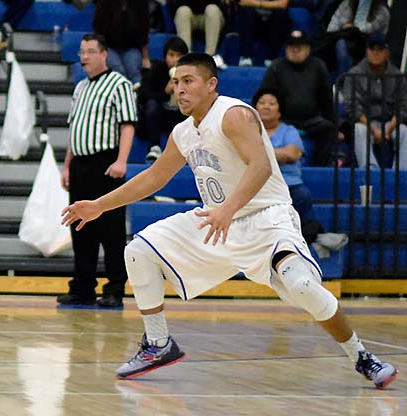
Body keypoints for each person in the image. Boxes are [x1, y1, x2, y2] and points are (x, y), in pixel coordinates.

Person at [62, 52, 399, 390]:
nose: (179, 89)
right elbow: (154, 178)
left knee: (302, 287)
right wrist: (99, 206)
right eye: (176, 82)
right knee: (137, 251)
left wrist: (228, 209)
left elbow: (261, 166)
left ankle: (361, 356)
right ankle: (158, 343)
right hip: (219, 223)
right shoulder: (183, 132)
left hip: (266, 220)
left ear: (211, 85)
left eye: (188, 81)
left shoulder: (232, 114)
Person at [58, 33, 136, 308]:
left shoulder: (119, 84)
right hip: (80, 164)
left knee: (111, 230)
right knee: (80, 227)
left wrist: (122, 160)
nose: (84, 57)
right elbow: (73, 129)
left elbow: (127, 125)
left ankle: (115, 288)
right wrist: (67, 166)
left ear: (104, 54)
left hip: (107, 165)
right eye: (82, 52)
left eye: (90, 51)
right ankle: (82, 286)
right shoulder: (80, 88)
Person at [259, 30, 337, 166]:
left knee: (328, 128)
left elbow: (327, 100)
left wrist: (333, 122)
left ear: (308, 49)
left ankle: (319, 166)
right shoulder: (276, 67)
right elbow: (265, 94)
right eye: (291, 47)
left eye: (299, 47)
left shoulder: (318, 67)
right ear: (286, 49)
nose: (295, 50)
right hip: (283, 119)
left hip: (311, 119)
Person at [342, 33, 407, 170]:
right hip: (366, 122)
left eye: (380, 49)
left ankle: (401, 174)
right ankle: (371, 172)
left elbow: (403, 106)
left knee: (405, 131)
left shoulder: (397, 75)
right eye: (372, 49)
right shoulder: (354, 74)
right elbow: (352, 106)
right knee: (359, 130)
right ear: (367, 51)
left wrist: (388, 130)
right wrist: (375, 130)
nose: (376, 53)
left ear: (387, 52)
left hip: (390, 123)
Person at [253, 88, 311, 223]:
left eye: (272, 104)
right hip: (256, 184)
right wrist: (279, 153)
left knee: (303, 195)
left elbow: (292, 153)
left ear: (280, 111)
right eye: (262, 103)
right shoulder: (247, 131)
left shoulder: (289, 131)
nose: (266, 106)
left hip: (288, 184)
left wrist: (257, 154)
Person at [139, 36, 189, 161]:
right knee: (151, 105)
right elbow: (144, 95)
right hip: (160, 116)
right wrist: (165, 92)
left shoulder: (190, 74)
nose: (175, 59)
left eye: (179, 56)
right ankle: (154, 146)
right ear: (165, 55)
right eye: (171, 55)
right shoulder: (157, 69)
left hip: (181, 116)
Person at [92, 0, 150, 86]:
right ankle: (123, 96)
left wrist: (145, 57)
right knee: (118, 70)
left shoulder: (141, 4)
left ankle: (138, 96)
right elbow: (98, 32)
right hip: (108, 48)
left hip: (132, 47)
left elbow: (144, 33)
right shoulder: (104, 3)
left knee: (133, 70)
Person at [225, 0, 291, 67]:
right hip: (253, 23)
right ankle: (246, 57)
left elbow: (283, 4)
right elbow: (243, 2)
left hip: (272, 24)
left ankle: (272, 58)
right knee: (245, 10)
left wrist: (257, 4)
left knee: (281, 13)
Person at [173, 0, 225, 69]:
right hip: (190, 16)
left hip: (210, 17)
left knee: (212, 9)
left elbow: (218, 3)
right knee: (182, 11)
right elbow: (177, 4)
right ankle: (186, 56)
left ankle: (209, 56)